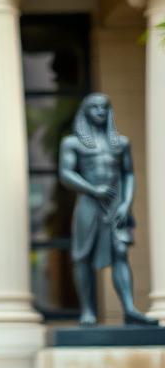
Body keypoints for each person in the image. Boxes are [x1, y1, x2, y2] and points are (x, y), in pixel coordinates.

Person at [58, 92, 157, 326]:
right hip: (89, 203)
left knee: (120, 252)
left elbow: (128, 173)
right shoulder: (72, 142)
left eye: (104, 107)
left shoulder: (120, 143)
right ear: (85, 112)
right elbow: (66, 173)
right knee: (82, 255)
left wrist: (126, 204)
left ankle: (129, 308)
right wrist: (92, 189)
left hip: (116, 204)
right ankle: (87, 311)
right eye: (94, 107)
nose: (100, 112)